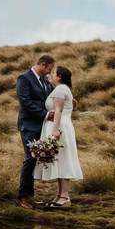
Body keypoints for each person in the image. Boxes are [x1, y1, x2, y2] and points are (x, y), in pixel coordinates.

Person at [33, 66, 83, 208]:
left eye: (53, 73)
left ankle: (65, 197)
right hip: (60, 124)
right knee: (59, 159)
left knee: (63, 159)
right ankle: (60, 195)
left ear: (59, 76)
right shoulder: (60, 89)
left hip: (59, 126)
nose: (50, 74)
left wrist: (55, 130)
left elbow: (58, 111)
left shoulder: (60, 89)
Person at [15, 54, 55, 209]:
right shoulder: (24, 78)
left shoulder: (45, 81)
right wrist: (45, 114)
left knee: (36, 159)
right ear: (42, 65)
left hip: (42, 126)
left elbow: (53, 98)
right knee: (30, 158)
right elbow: (25, 102)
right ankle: (22, 197)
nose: (50, 72)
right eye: (49, 69)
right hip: (29, 125)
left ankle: (30, 196)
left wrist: (69, 101)